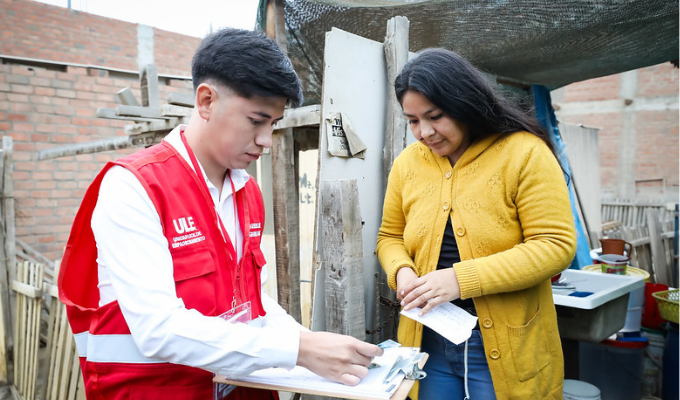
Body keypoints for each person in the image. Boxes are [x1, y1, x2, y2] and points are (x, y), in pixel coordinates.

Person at [58, 28, 382, 400]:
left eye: (273, 124)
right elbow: (158, 328)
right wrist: (298, 350)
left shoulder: (247, 191)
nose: (266, 140)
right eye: (256, 120)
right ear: (206, 101)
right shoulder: (135, 187)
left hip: (239, 388)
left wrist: (308, 342)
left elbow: (252, 302)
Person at [376, 48, 577, 400]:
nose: (424, 132)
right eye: (412, 120)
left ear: (464, 103)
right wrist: (402, 272)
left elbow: (555, 245)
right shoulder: (408, 164)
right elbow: (390, 236)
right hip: (429, 337)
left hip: (508, 340)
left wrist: (459, 280)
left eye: (435, 116)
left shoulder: (523, 153)